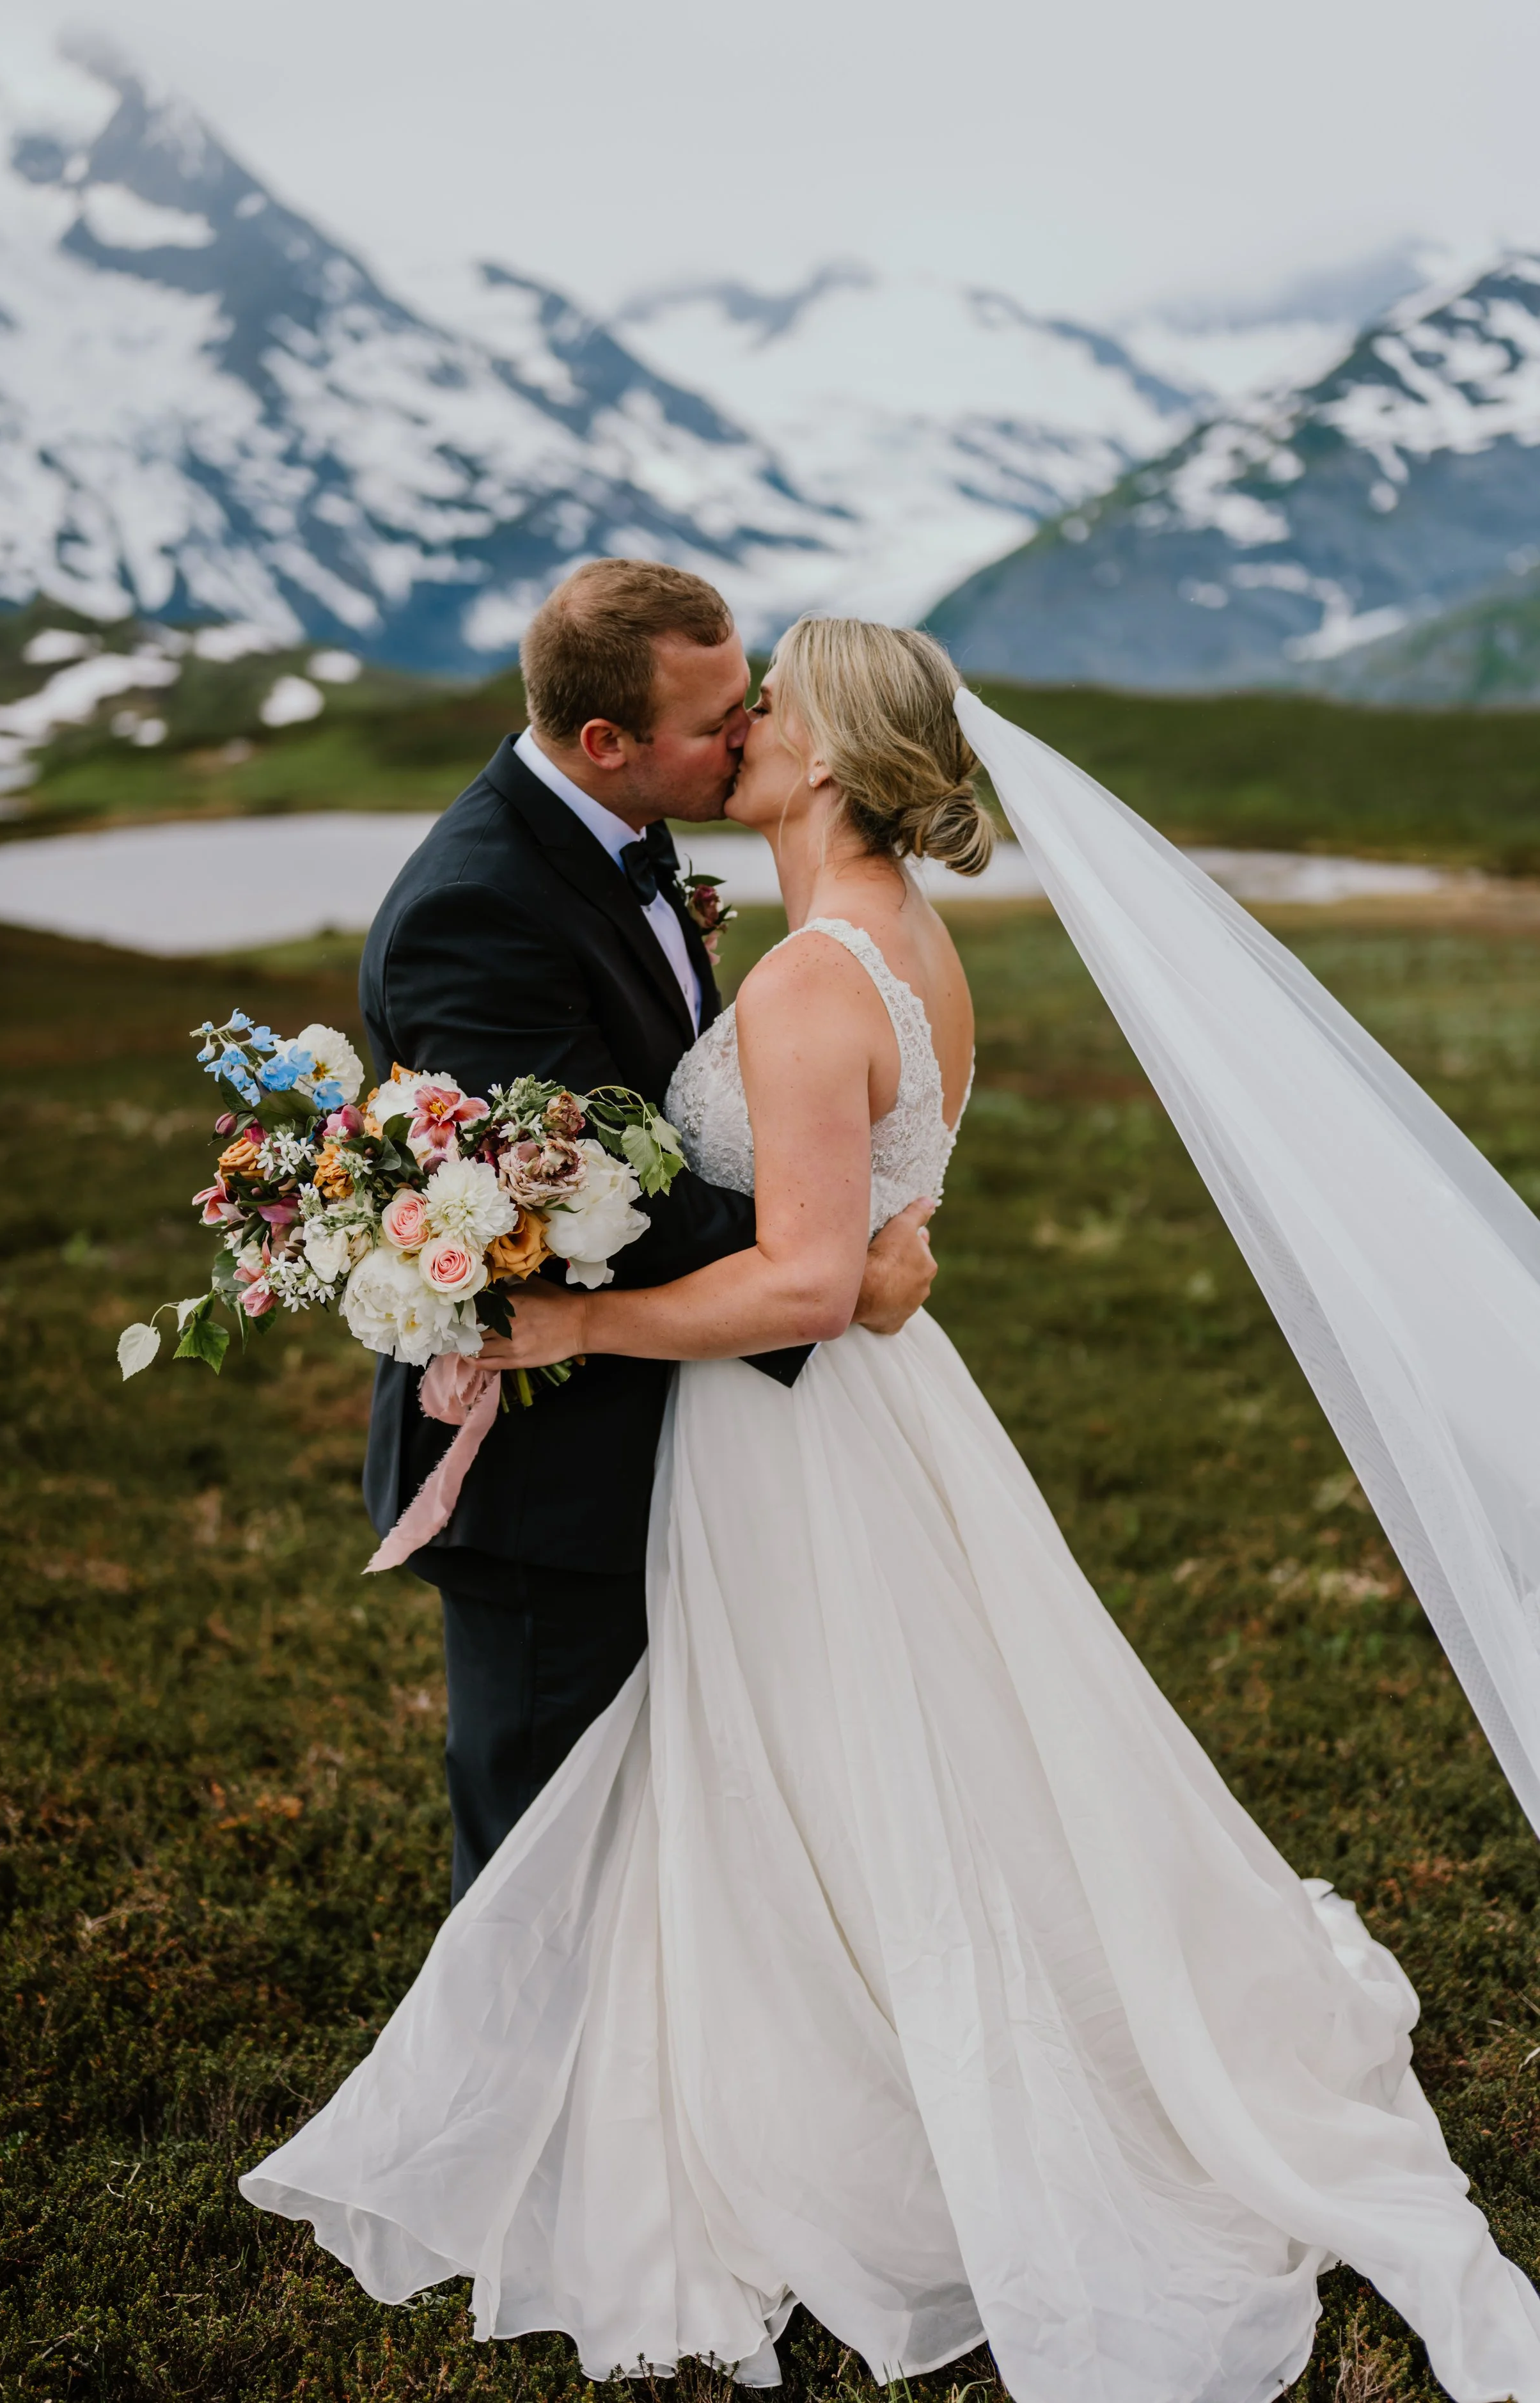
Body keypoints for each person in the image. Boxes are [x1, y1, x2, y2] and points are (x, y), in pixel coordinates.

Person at [246, 618, 1540, 2403]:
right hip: (881, 1415)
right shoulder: (907, 948)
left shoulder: (797, 981)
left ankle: (819, 2091)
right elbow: (861, 1212)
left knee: (829, 1760)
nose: (741, 730)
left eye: (764, 705)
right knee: (907, 1750)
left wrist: (577, 1315)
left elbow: (791, 1281)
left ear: (831, 757)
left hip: (778, 1429)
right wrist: (875, 1249)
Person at [354, 562, 938, 1903]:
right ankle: (516, 2114)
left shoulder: (635, 831)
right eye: (716, 722)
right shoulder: (473, 908)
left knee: (672, 1839)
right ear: (606, 742)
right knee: (542, 1851)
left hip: (677, 1427)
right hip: (547, 1459)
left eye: (749, 704)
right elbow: (581, 1189)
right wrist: (838, 1254)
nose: (747, 736)